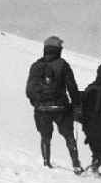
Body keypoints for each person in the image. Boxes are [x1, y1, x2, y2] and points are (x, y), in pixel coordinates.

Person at [25, 36, 84, 174]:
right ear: (58, 49)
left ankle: (46, 163)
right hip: (61, 108)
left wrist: (37, 103)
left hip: (41, 109)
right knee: (69, 136)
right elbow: (72, 87)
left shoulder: (35, 66)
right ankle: (76, 165)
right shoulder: (63, 64)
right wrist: (76, 105)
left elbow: (29, 90)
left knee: (45, 136)